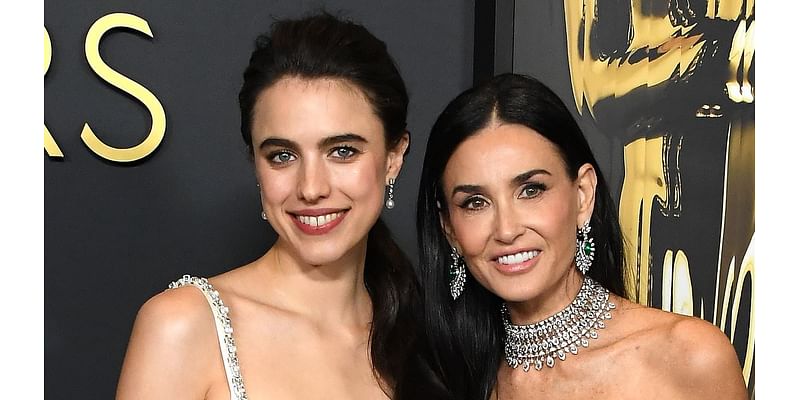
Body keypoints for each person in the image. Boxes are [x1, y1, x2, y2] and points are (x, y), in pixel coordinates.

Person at [116, 13, 440, 399]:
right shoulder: (184, 326)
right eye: (283, 156)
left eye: (342, 151)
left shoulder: (426, 341)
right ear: (255, 163)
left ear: (393, 158)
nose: (311, 188)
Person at [415, 73, 747, 399]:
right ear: (449, 227)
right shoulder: (441, 378)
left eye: (531, 190)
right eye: (475, 203)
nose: (506, 230)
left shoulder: (688, 357)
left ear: (583, 195)